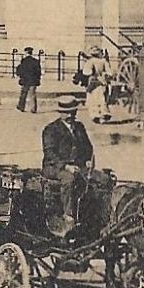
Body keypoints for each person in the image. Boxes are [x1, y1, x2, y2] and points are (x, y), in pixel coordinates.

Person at [41, 93, 95, 234]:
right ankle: (68, 215)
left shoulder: (79, 127)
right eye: (66, 113)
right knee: (69, 180)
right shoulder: (51, 130)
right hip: (54, 168)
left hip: (77, 167)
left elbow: (88, 147)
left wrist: (88, 160)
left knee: (103, 179)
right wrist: (66, 166)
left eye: (72, 112)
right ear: (60, 113)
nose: (70, 116)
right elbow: (50, 153)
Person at [85, 47, 112, 123]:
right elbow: (109, 72)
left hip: (94, 83)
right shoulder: (104, 61)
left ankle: (95, 115)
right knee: (102, 98)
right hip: (102, 82)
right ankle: (104, 114)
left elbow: (86, 72)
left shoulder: (90, 61)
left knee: (93, 98)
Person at [15, 47, 42, 113]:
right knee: (32, 94)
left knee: (23, 94)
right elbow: (39, 72)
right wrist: (37, 79)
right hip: (33, 80)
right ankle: (33, 108)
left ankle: (21, 106)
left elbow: (20, 70)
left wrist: (19, 75)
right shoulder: (36, 61)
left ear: (26, 53)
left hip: (25, 80)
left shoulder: (24, 61)